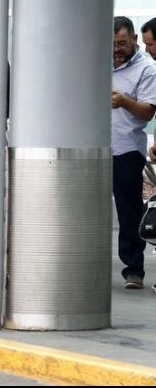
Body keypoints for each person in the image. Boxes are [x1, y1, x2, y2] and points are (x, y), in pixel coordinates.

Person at [111, 16, 156, 290]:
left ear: (134, 41)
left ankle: (133, 269)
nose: (117, 49)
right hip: (95, 146)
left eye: (122, 43)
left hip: (127, 147)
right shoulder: (97, 60)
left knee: (128, 209)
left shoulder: (146, 69)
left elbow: (148, 111)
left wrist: (125, 102)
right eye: (113, 44)